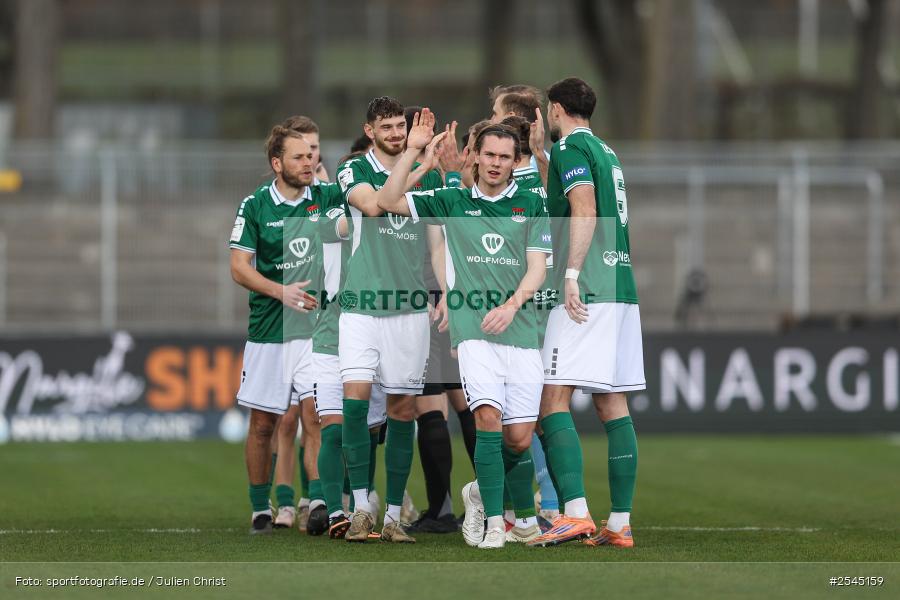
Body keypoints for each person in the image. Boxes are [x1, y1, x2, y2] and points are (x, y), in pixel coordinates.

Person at [378, 115, 552, 549]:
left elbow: (538, 266)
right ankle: (496, 524)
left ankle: (477, 491)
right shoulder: (453, 198)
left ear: (515, 162)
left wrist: (512, 306)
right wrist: (415, 151)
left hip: (521, 330)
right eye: (488, 154)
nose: (495, 163)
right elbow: (387, 198)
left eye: (504, 157)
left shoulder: (530, 202)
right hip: (472, 331)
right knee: (487, 419)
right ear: (474, 156)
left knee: (519, 439)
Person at [528, 77, 645, 548]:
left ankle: (573, 512)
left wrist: (572, 273)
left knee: (549, 400)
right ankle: (619, 523)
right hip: (621, 288)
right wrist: (542, 156)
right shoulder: (605, 152)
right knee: (611, 402)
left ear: (555, 109)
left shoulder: (570, 150)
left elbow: (583, 206)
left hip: (587, 289)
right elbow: (572, 191)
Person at [336, 97, 446, 543]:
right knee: (356, 406)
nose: (398, 133)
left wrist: (445, 293)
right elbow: (378, 205)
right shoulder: (353, 170)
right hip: (361, 306)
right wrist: (414, 159)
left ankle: (394, 515)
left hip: (409, 309)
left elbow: (437, 243)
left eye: (401, 126)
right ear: (369, 130)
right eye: (388, 127)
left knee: (403, 410)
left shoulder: (432, 174)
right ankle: (362, 507)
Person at [228, 125, 322, 534]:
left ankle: (318, 501)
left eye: (311, 155)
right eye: (300, 157)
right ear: (277, 163)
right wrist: (281, 291)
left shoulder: (326, 199)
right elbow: (238, 268)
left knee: (315, 416)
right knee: (264, 424)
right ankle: (259, 507)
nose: (309, 163)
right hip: (269, 331)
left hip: (317, 332)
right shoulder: (254, 206)